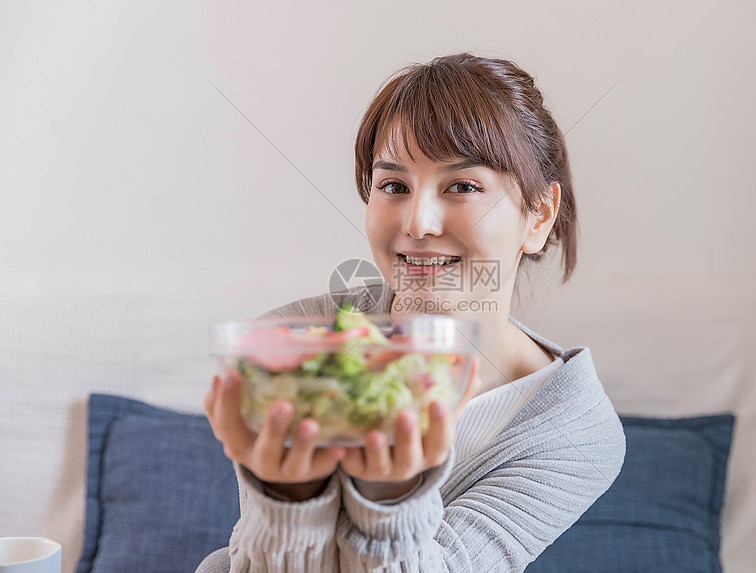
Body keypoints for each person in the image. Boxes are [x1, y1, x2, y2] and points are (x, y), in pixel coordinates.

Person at [197, 52, 626, 572]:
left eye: (462, 186)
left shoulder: (573, 430)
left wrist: (391, 496)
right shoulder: (296, 345)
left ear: (538, 216)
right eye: (394, 186)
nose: (418, 222)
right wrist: (289, 498)